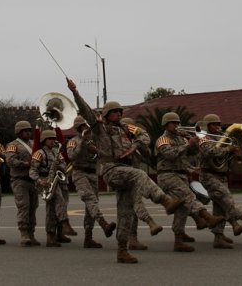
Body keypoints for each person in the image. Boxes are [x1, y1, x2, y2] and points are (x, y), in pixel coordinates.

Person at [66, 78, 183, 264]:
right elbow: (87, 112)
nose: (118, 114)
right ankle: (165, 200)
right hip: (111, 169)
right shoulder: (100, 128)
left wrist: (135, 144)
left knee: (125, 212)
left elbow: (144, 136)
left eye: (119, 112)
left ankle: (122, 250)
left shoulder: (125, 128)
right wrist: (75, 92)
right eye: (114, 112)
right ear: (106, 114)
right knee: (141, 174)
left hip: (125, 171)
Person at [156, 112, 225, 252]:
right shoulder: (162, 140)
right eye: (173, 123)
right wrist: (188, 144)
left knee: (183, 207)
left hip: (180, 175)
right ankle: (207, 217)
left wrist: (193, 143)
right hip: (167, 176)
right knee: (189, 197)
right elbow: (170, 155)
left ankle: (179, 240)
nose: (176, 125)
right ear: (166, 124)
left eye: (178, 123)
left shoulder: (181, 139)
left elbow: (191, 155)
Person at [198, 114, 242, 249]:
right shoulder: (203, 138)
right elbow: (209, 152)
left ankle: (218, 237)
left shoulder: (222, 138)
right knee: (226, 197)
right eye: (214, 124)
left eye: (219, 124)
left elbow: (225, 156)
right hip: (208, 175)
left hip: (221, 175)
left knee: (220, 208)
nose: (218, 127)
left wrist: (234, 152)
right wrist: (227, 149)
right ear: (207, 126)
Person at [67, 116, 116, 248]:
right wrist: (82, 142)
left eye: (86, 126)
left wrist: (96, 150)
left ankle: (88, 237)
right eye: (82, 127)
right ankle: (104, 224)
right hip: (79, 172)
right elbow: (71, 156)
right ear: (78, 128)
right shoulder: (73, 141)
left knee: (91, 206)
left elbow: (104, 154)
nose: (85, 129)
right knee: (90, 200)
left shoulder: (94, 140)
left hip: (92, 173)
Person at [120, 117, 161, 250]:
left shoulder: (136, 141)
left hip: (135, 177)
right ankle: (149, 223)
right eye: (128, 127)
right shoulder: (119, 142)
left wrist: (139, 144)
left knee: (131, 208)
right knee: (132, 206)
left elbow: (147, 154)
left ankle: (132, 239)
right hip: (124, 178)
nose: (130, 130)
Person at [30, 130, 76, 247]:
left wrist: (61, 166)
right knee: (58, 202)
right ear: (44, 140)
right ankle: (62, 226)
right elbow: (32, 171)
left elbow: (63, 166)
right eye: (50, 139)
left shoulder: (57, 152)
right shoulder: (39, 153)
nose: (53, 141)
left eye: (53, 138)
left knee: (57, 207)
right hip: (46, 183)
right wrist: (41, 181)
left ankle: (56, 234)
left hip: (59, 182)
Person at [5, 120, 41, 246]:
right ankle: (24, 233)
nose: (27, 133)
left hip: (32, 181)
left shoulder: (34, 144)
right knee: (24, 206)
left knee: (33, 207)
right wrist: (25, 163)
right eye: (24, 131)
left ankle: (31, 233)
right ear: (19, 132)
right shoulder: (12, 145)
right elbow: (10, 160)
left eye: (28, 131)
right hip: (19, 180)